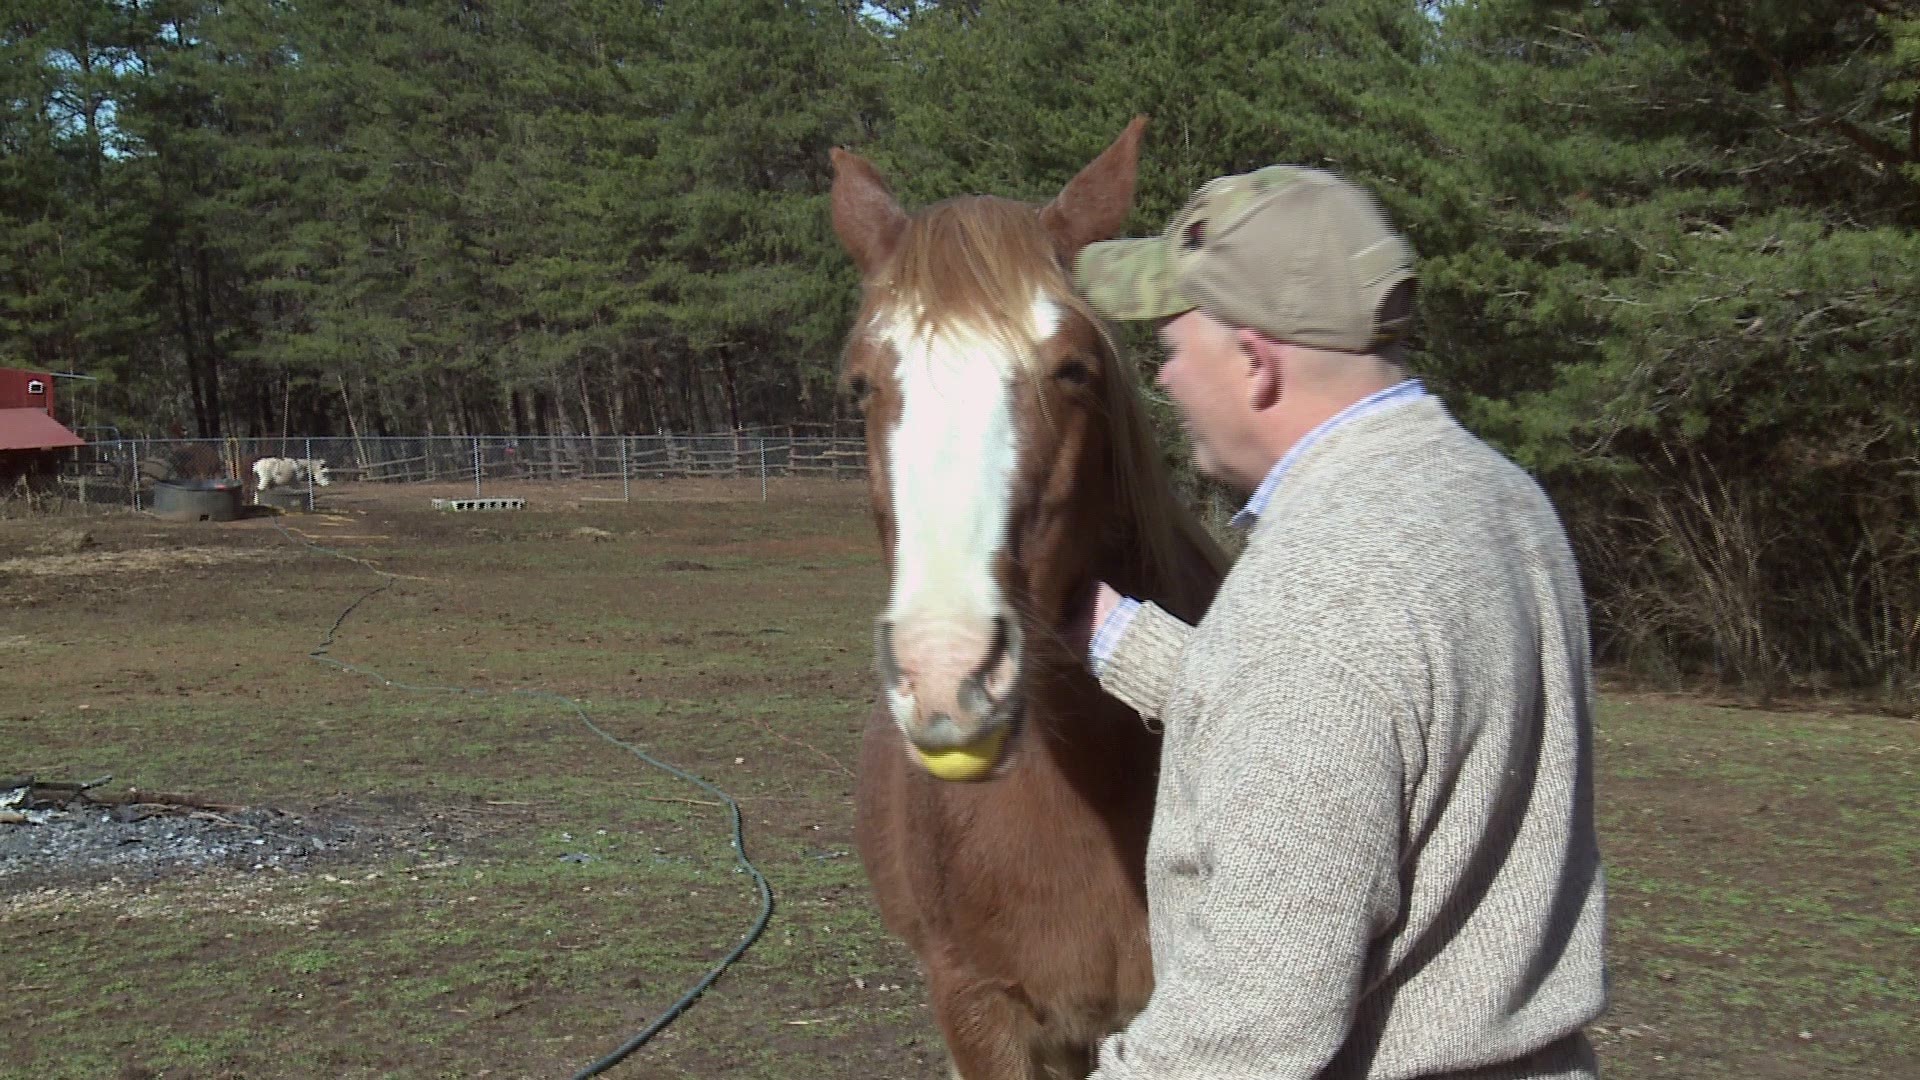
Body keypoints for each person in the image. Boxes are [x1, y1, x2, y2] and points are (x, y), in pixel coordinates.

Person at [1071, 166, 1608, 1079]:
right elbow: (1375, 724)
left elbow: (1247, 1025)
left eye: (1169, 345)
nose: (1161, 378)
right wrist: (1107, 632)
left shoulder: (1312, 594)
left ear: (1254, 360)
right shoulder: (1500, 497)